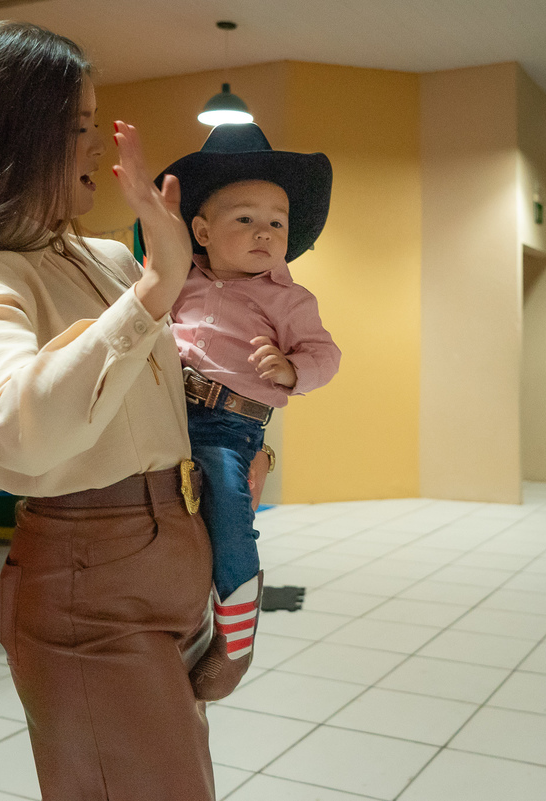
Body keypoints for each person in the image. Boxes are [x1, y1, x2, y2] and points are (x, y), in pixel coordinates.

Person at [0, 21, 217, 801]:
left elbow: (153, 400)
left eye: (95, 126)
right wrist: (154, 294)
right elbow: (20, 431)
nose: (96, 149)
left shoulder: (104, 257)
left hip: (170, 551)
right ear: (14, 140)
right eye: (76, 129)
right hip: (91, 584)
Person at [151, 123, 341, 699]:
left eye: (276, 222)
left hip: (228, 427)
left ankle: (236, 638)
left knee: (230, 515)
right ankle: (167, 606)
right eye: (245, 219)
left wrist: (292, 369)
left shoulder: (288, 299)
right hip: (162, 416)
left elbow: (325, 354)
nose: (265, 233)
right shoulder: (176, 281)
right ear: (201, 230)